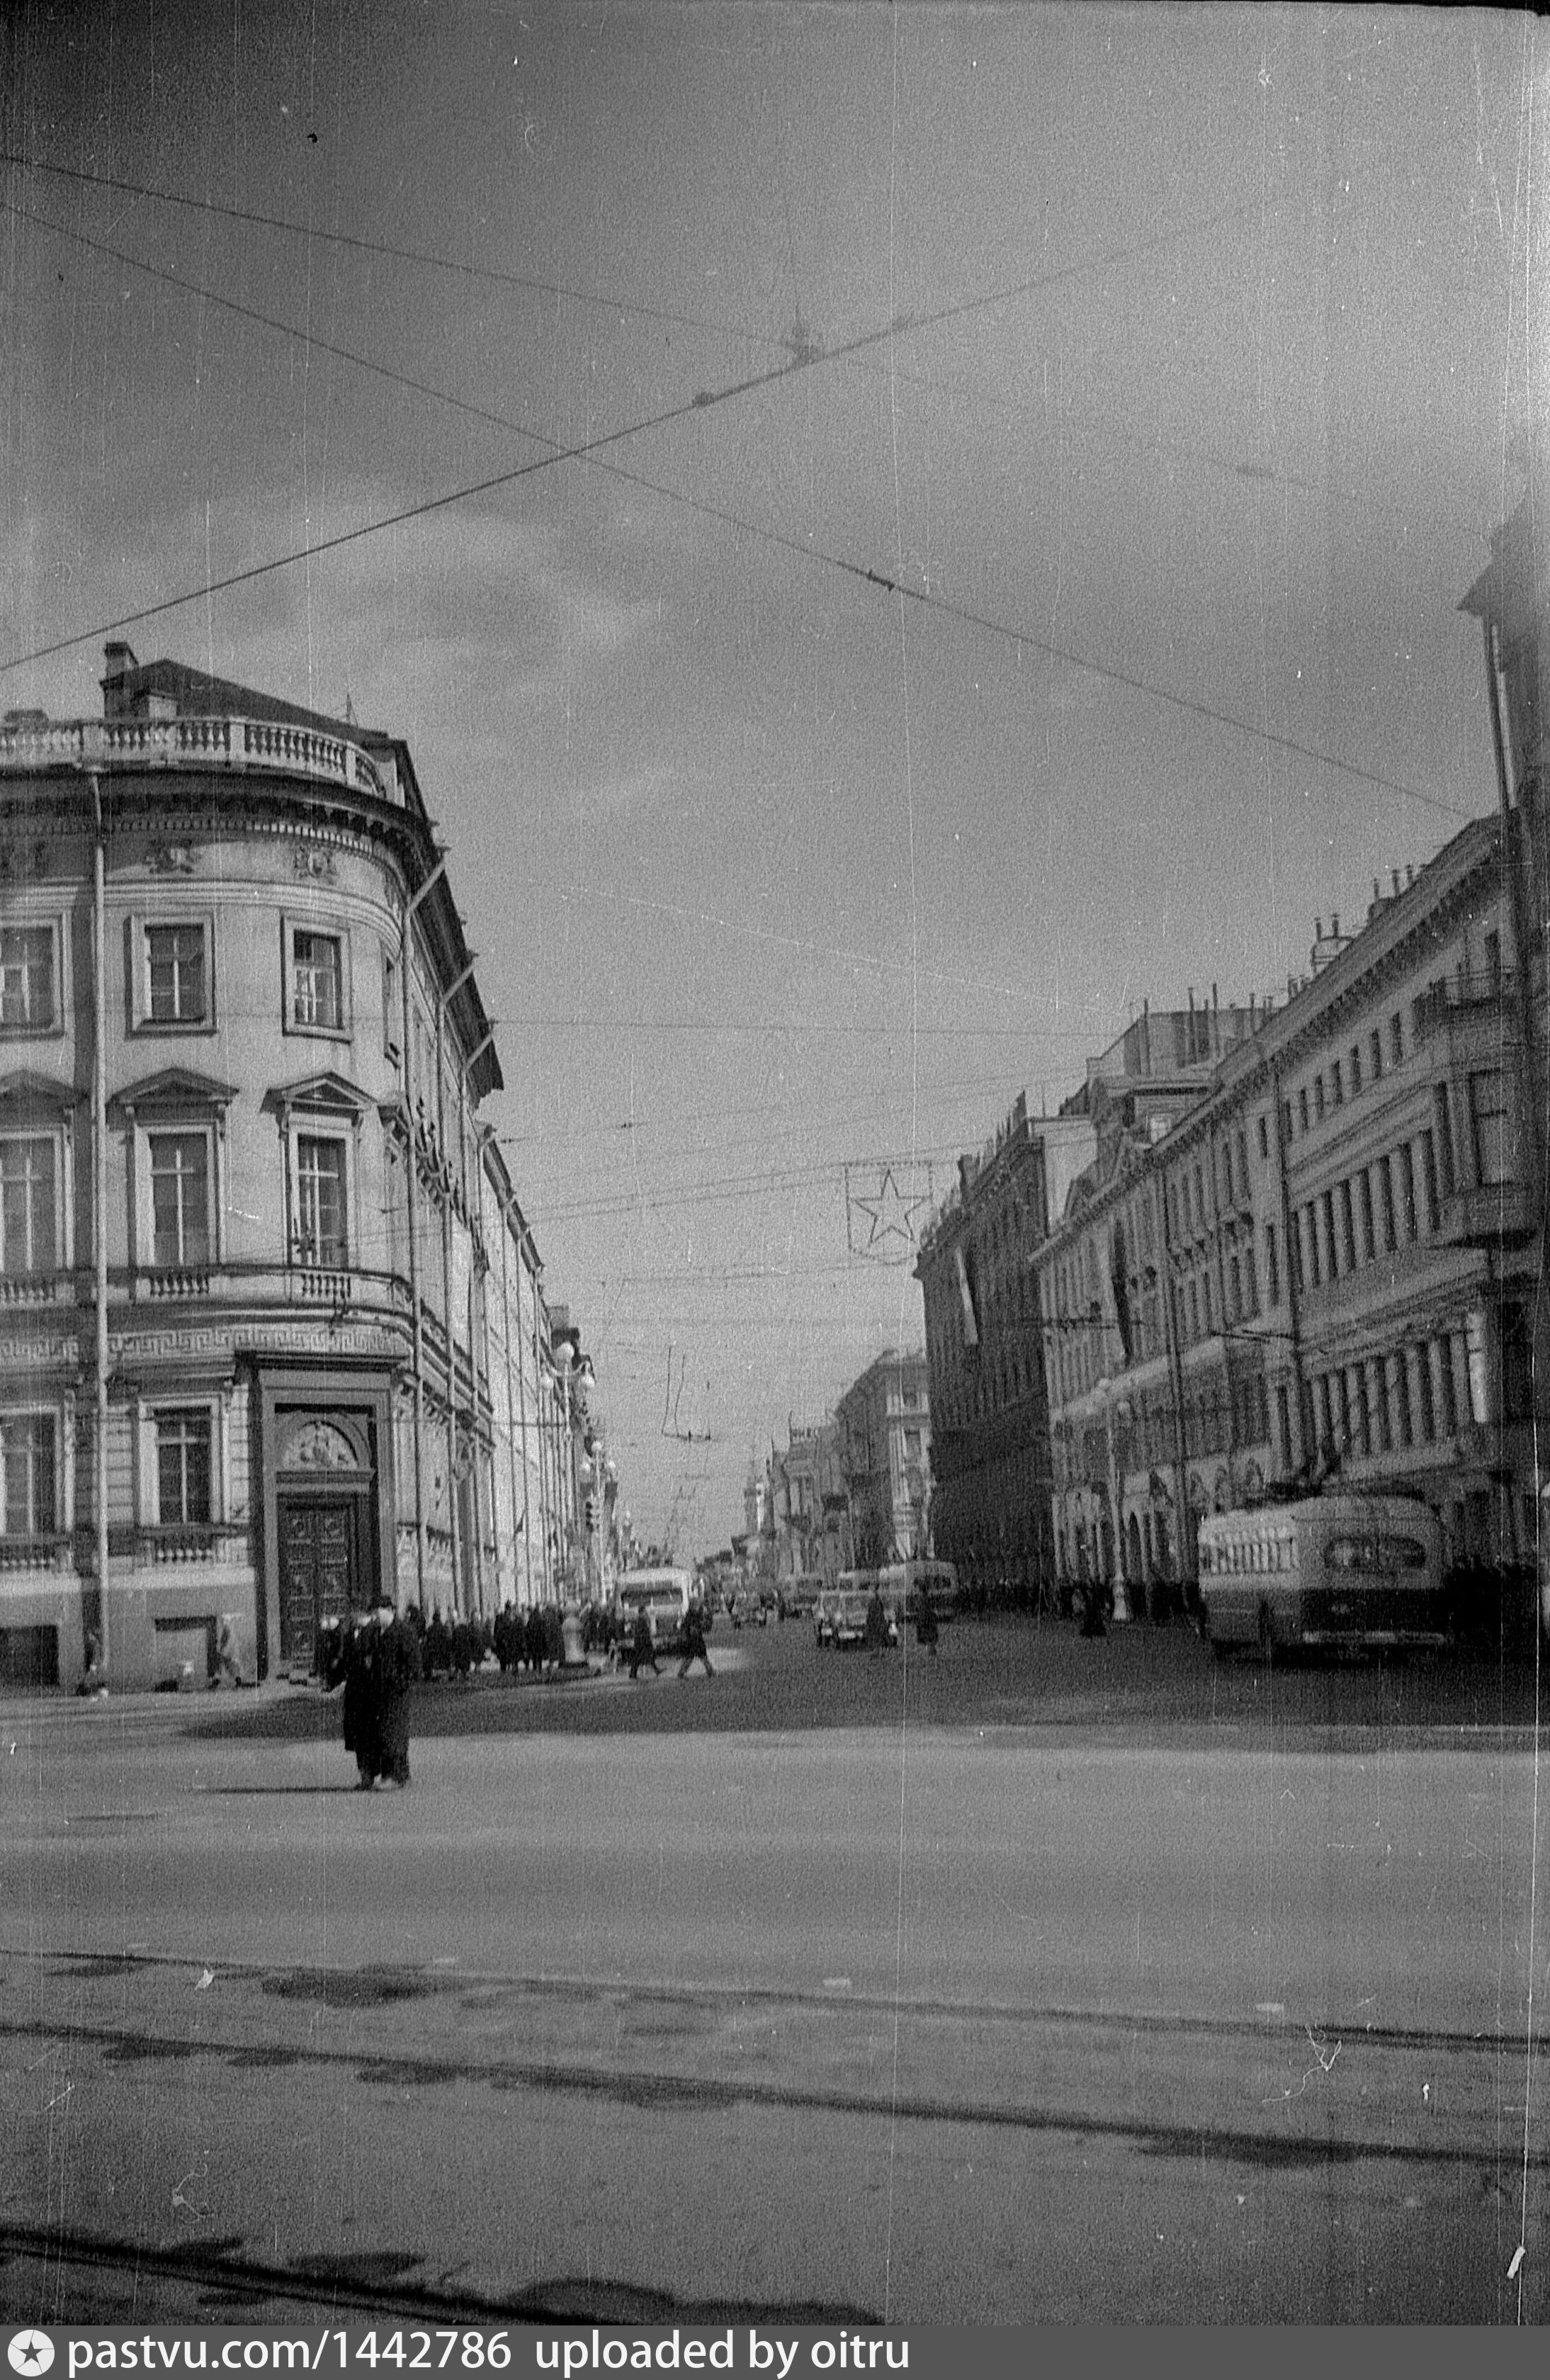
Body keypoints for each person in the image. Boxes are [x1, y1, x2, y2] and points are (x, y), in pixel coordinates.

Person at [677, 1599, 714, 1678]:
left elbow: (700, 1626)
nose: (698, 1607)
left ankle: (710, 1671)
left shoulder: (692, 1615)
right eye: (696, 1605)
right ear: (693, 1606)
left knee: (697, 1656)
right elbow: (693, 1628)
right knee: (695, 1656)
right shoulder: (692, 1616)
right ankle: (710, 1671)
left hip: (694, 1639)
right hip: (694, 1639)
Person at [628, 1606, 660, 1681]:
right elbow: (642, 1632)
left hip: (641, 1642)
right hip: (642, 1643)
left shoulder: (641, 1620)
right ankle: (633, 1674)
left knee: (646, 1656)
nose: (646, 1613)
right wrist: (646, 1641)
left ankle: (656, 1670)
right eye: (645, 1612)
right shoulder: (640, 1620)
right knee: (639, 1658)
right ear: (641, 1612)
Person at [864, 1585, 890, 1657]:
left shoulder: (876, 1602)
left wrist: (873, 1622)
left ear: (873, 1593)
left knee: (878, 1638)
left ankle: (879, 1652)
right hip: (876, 1623)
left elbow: (876, 1614)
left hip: (877, 1624)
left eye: (869, 1592)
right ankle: (878, 1652)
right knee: (877, 1638)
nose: (868, 1594)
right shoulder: (874, 1601)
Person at [914, 1591, 939, 1656]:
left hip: (925, 1622)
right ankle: (930, 1651)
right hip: (927, 1623)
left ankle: (930, 1651)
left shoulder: (922, 1602)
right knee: (929, 1638)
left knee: (929, 1638)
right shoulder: (926, 1602)